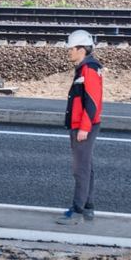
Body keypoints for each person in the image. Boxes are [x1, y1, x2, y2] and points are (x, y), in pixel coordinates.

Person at [56, 29, 103, 225]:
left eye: (71, 48)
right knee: (87, 167)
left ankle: (77, 210)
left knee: (80, 169)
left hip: (83, 126)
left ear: (81, 49)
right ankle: (88, 206)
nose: (69, 52)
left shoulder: (88, 69)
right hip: (84, 124)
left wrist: (84, 128)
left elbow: (92, 101)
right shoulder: (85, 67)